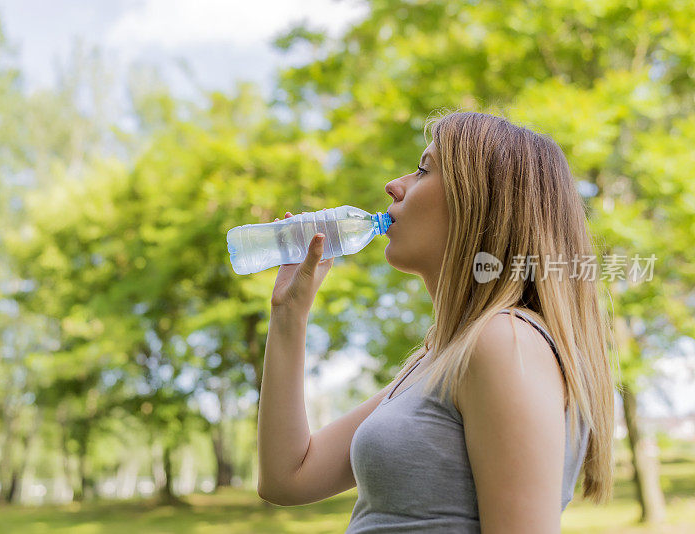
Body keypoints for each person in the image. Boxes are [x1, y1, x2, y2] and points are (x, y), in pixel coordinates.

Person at [256, 111, 615, 533]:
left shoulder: (505, 341)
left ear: (481, 202)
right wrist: (289, 313)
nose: (394, 185)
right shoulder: (440, 358)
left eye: (424, 170)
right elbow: (288, 478)